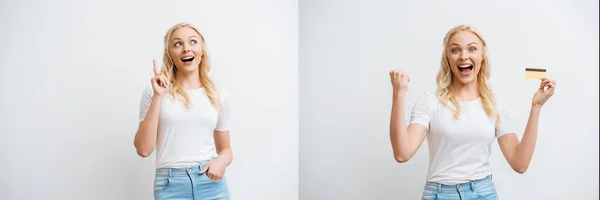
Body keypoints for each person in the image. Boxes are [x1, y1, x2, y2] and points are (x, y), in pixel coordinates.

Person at [388, 24, 556, 200]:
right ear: (447, 58)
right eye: (455, 50)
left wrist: (536, 107)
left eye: (472, 49)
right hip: (439, 194)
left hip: (483, 192)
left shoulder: (495, 106)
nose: (464, 56)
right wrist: (398, 93)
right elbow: (402, 153)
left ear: (482, 56)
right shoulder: (430, 102)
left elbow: (520, 163)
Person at [134, 23, 232, 200]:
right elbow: (143, 149)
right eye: (178, 44)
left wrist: (221, 161)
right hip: (171, 186)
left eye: (193, 42)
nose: (186, 48)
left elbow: (226, 149)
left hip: (212, 185)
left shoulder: (218, 95)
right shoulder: (154, 91)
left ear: (202, 50)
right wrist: (158, 96)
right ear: (170, 54)